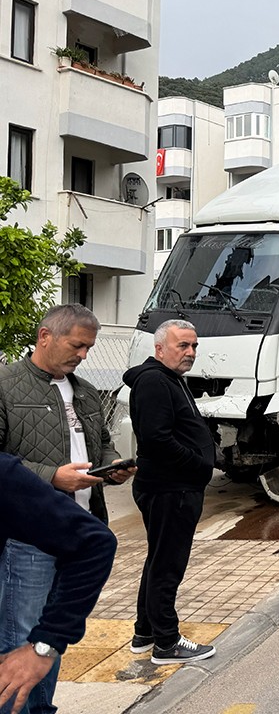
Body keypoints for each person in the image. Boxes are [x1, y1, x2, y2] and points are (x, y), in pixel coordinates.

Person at [0, 304, 133, 714]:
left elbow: (102, 442)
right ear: (45, 336)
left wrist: (112, 466)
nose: (83, 354)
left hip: (81, 529)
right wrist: (52, 477)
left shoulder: (87, 391)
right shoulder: (6, 386)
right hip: (29, 538)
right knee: (24, 637)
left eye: (89, 348)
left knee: (53, 633)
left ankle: (42, 707)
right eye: (77, 345)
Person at [123, 320, 217, 665]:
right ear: (159, 348)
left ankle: (145, 632)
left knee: (158, 560)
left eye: (194, 346)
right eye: (183, 346)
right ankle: (167, 643)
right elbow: (156, 439)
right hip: (170, 488)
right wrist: (198, 464)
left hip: (173, 486)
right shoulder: (153, 382)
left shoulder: (168, 379)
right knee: (168, 566)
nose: (190, 352)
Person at [0, 454, 116, 714]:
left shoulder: (5, 476)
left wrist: (45, 644)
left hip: (42, 529)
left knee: (20, 645)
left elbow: (94, 543)